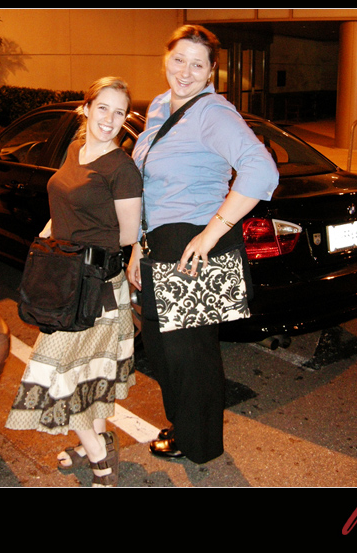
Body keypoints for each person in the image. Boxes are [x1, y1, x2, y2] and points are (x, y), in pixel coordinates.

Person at [127, 25, 279, 464]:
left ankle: (200, 446)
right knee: (160, 349)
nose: (186, 72)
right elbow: (148, 188)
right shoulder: (158, 107)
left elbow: (261, 171)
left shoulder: (212, 113)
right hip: (159, 243)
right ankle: (184, 427)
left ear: (213, 71)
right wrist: (138, 245)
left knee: (191, 356)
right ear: (165, 60)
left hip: (192, 243)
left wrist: (212, 232)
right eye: (179, 60)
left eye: (198, 64)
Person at [6, 77, 142, 487]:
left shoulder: (122, 168)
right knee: (91, 372)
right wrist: (51, 236)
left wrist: (79, 246)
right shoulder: (74, 150)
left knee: (58, 372)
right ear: (86, 109)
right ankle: (95, 443)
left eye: (119, 112)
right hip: (66, 273)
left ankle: (101, 461)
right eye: (103, 107)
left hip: (96, 286)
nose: (110, 119)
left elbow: (128, 233)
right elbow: (64, 203)